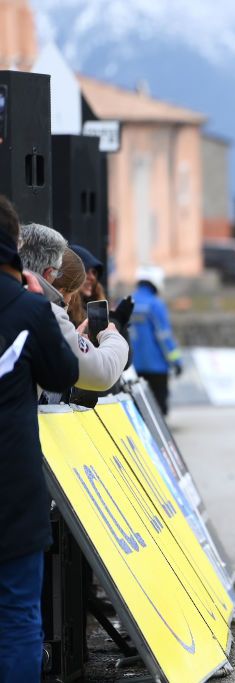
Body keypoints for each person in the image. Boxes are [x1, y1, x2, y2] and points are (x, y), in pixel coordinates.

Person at [0, 198, 79, 679]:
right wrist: (38, 299)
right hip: (13, 489)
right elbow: (64, 372)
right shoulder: (28, 308)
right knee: (16, 619)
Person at [18, 226, 129, 395]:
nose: (68, 301)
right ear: (49, 273)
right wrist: (112, 334)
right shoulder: (45, 314)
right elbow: (102, 372)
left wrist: (73, 339)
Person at [131, 265, 183, 415]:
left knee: (140, 410)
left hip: (134, 367)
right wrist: (176, 362)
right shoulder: (155, 304)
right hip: (157, 368)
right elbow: (164, 337)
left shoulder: (127, 302)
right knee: (159, 410)